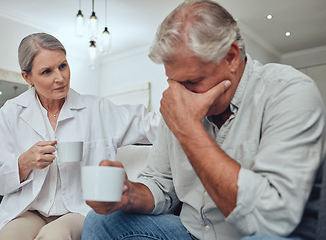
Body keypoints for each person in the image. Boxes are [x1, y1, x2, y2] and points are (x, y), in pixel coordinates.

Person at [82, 0, 326, 239]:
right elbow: (160, 184)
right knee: (100, 221)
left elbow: (272, 219)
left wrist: (188, 129)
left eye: (192, 82)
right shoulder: (178, 101)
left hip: (253, 233)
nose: (178, 94)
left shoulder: (288, 91)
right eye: (173, 82)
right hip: (189, 232)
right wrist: (128, 194)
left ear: (231, 57)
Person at [0, 32, 160, 240]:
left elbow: (151, 124)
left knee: (54, 236)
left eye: (63, 66)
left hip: (77, 210)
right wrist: (23, 163)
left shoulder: (97, 109)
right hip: (29, 210)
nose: (60, 77)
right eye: (47, 71)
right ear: (27, 77)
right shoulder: (11, 113)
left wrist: (191, 117)